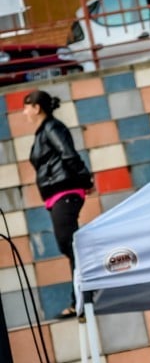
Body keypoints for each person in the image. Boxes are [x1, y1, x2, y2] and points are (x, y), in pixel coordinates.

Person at [23, 90, 93, 319]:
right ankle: (83, 294)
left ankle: (86, 294)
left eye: (26, 106)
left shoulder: (52, 128)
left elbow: (68, 154)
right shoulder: (43, 132)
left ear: (37, 107)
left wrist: (85, 179)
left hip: (66, 191)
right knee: (68, 245)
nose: (24, 112)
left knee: (70, 243)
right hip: (57, 195)